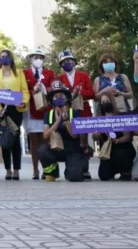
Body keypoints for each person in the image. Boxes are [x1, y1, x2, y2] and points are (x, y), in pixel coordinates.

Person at [54, 50, 94, 179]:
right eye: (65, 61)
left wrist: (80, 93)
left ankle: (85, 168)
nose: (68, 62)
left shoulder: (83, 76)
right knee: (72, 139)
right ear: (61, 64)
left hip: (83, 110)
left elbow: (91, 93)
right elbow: (57, 93)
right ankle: (73, 165)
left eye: (70, 60)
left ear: (74, 62)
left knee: (84, 141)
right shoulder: (59, 78)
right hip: (68, 112)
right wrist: (71, 94)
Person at [0, 49, 29, 180]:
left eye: (6, 56)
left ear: (11, 58)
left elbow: (25, 91)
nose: (4, 58)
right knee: (5, 139)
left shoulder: (19, 73)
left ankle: (16, 169)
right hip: (2, 110)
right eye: (1, 57)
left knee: (15, 139)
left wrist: (23, 102)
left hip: (15, 109)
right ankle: (8, 169)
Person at [38, 80, 87, 182]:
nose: (59, 98)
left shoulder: (74, 113)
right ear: (52, 100)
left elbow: (74, 135)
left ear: (66, 98)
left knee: (75, 178)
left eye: (61, 95)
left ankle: (73, 169)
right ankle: (52, 172)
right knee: (42, 150)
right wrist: (58, 121)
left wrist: (66, 120)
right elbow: (45, 135)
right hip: (55, 147)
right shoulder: (49, 114)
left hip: (72, 148)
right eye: (56, 96)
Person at [23, 49, 54, 180]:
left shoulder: (49, 72)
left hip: (46, 108)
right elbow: (22, 88)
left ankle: (46, 168)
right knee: (34, 140)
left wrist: (44, 88)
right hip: (31, 109)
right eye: (35, 57)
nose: (38, 59)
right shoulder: (24, 73)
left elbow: (53, 87)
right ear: (30, 59)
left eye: (40, 57)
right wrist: (32, 90)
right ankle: (35, 169)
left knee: (45, 140)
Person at [95, 95, 135, 181]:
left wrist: (118, 140)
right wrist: (96, 135)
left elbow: (127, 136)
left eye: (108, 101)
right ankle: (112, 171)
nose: (105, 104)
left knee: (119, 153)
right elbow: (95, 137)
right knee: (104, 176)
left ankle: (125, 171)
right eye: (103, 102)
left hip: (122, 148)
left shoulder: (121, 116)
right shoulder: (98, 119)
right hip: (107, 151)